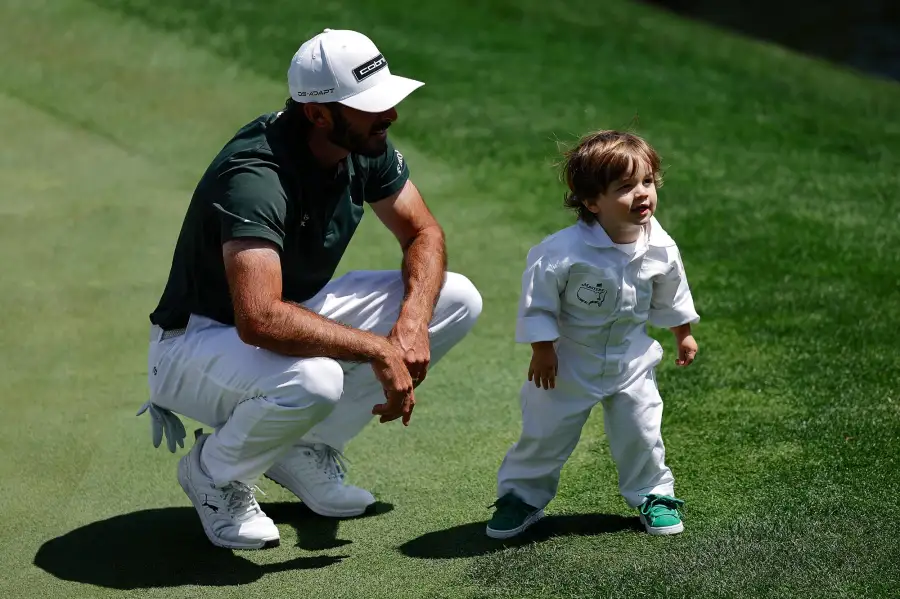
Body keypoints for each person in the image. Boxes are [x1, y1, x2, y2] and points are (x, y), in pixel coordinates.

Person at [136, 28, 483, 550]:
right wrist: (379, 350)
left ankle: (302, 447)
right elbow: (260, 320)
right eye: (371, 106)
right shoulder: (256, 175)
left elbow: (422, 231)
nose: (390, 115)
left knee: (455, 300)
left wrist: (409, 327)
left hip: (284, 315)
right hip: (194, 347)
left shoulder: (364, 144)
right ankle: (214, 473)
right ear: (319, 114)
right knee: (316, 379)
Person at [485, 130, 699, 539]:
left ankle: (653, 493)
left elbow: (673, 292)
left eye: (647, 182)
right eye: (625, 187)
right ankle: (521, 497)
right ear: (591, 201)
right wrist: (542, 349)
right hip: (568, 362)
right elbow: (539, 303)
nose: (642, 194)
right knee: (545, 432)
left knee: (642, 429)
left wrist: (682, 332)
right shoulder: (560, 252)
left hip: (631, 357)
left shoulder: (661, 246)